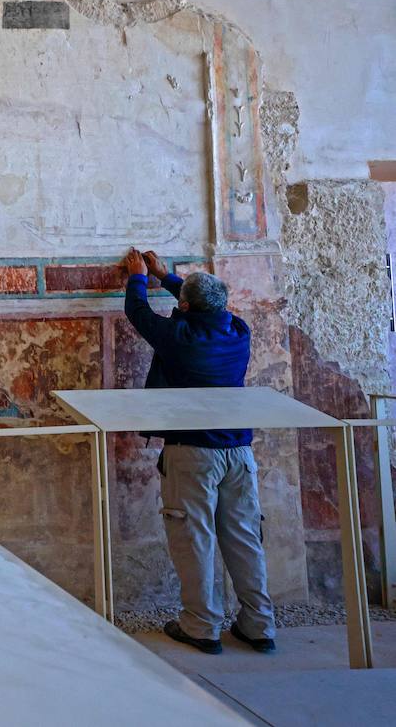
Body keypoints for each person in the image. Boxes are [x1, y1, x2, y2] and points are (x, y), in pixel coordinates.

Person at [120, 247, 277, 656]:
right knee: (245, 538)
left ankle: (201, 626)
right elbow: (204, 305)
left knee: (195, 538)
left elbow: (138, 314)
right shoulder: (238, 331)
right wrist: (167, 277)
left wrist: (139, 276)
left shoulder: (180, 337)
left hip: (192, 453)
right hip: (239, 452)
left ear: (185, 307)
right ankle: (258, 625)